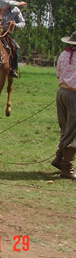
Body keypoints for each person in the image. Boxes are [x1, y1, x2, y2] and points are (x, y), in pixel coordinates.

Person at [51, 31, 76, 180]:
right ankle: (67, 167)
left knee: (65, 129)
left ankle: (59, 158)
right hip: (74, 95)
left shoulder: (63, 54)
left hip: (62, 92)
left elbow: (58, 74)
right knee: (73, 132)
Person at [0, 0, 27, 78]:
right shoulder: (1, 2)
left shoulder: (16, 10)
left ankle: (13, 69)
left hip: (6, 33)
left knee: (15, 48)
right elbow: (9, 3)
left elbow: (23, 23)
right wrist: (19, 3)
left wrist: (15, 25)